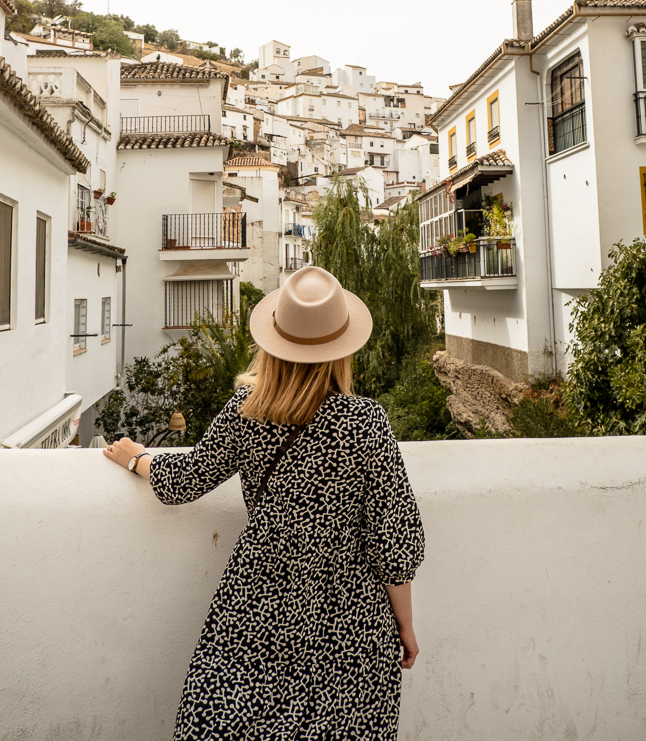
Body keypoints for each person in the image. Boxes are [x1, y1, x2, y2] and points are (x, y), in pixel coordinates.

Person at [104, 266, 424, 740]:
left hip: (258, 601)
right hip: (350, 614)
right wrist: (406, 627)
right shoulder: (366, 421)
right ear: (342, 350)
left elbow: (185, 482)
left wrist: (138, 459)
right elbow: (392, 543)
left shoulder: (246, 410)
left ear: (273, 343)